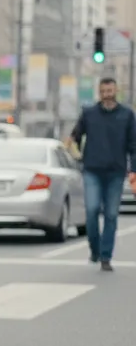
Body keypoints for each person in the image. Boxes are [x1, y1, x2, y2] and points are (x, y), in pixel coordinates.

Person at [64, 77, 136, 271]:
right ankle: (94, 249)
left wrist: (134, 171)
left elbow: (133, 146)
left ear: (116, 91)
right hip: (92, 171)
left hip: (116, 173)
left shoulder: (127, 115)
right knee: (92, 210)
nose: (107, 95)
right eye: (103, 92)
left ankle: (105, 257)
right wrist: (76, 154)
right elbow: (75, 137)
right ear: (99, 92)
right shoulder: (89, 113)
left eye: (110, 91)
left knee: (111, 215)